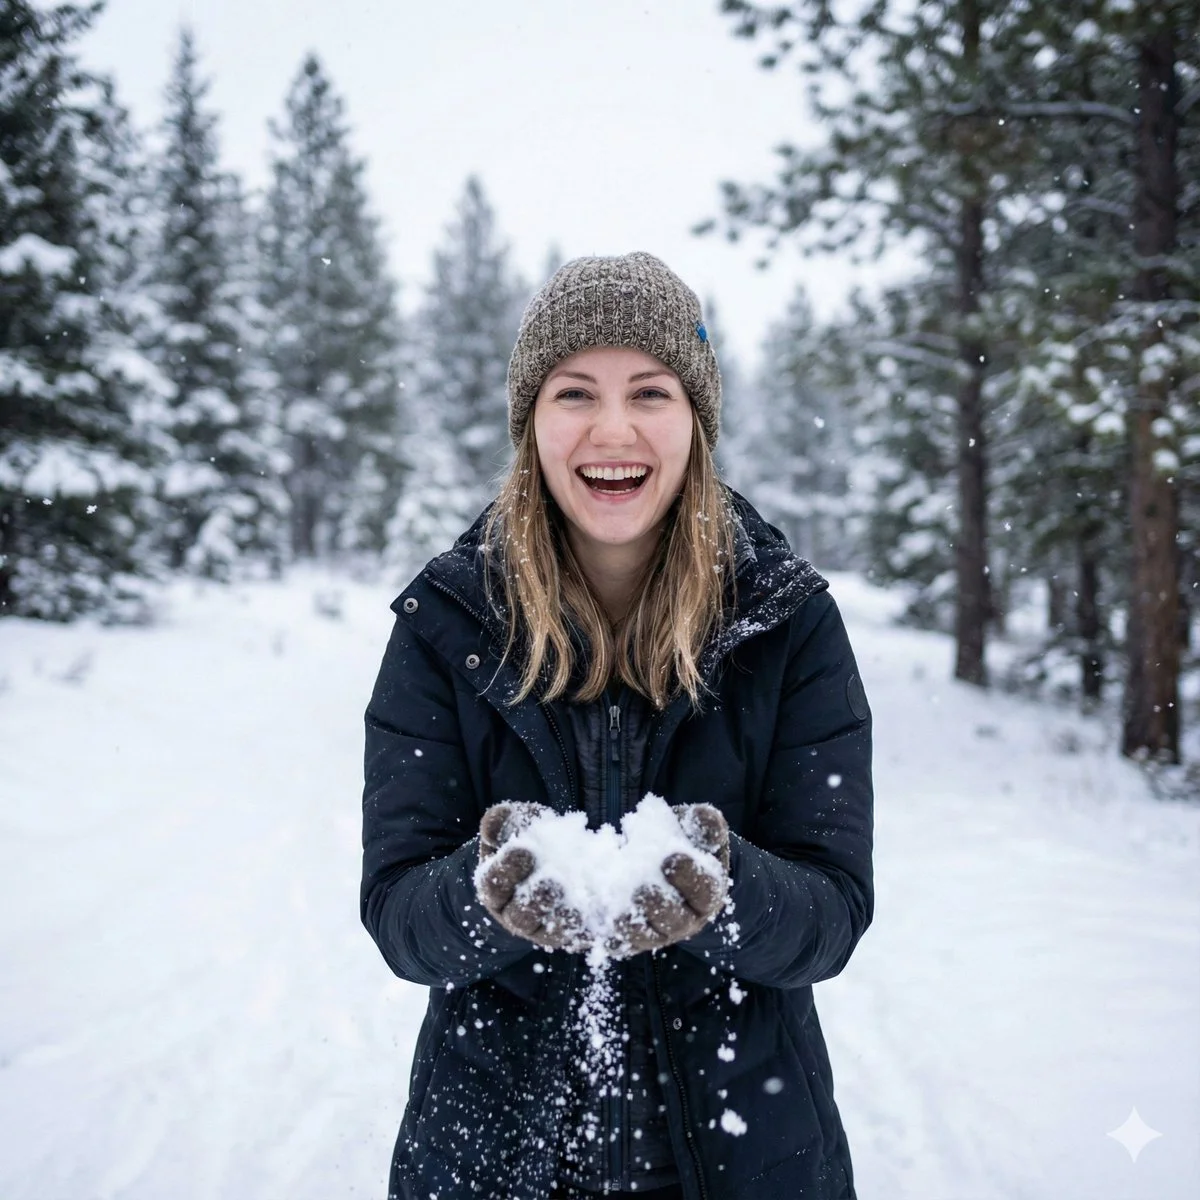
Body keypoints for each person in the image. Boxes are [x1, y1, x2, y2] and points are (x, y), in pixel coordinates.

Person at [361, 252, 874, 1200]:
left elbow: (833, 916)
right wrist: (488, 897)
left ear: (696, 421)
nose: (613, 429)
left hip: (745, 1158)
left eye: (650, 390)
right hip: (487, 1160)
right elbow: (398, 918)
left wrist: (724, 887)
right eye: (573, 393)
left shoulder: (787, 621)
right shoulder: (446, 625)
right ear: (530, 422)